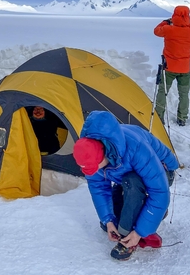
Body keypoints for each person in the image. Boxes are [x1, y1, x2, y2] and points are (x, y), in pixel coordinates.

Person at [72, 111, 179, 261]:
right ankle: (143, 214)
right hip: (128, 175)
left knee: (132, 184)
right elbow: (98, 188)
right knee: (118, 207)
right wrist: (108, 220)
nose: (93, 171)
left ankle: (127, 238)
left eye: (94, 167)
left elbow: (160, 193)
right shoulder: (91, 150)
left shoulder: (137, 150)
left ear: (104, 155)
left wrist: (139, 232)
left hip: (163, 171)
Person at [154, 5, 190, 126]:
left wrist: (166, 21)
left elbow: (156, 31)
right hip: (185, 68)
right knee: (184, 95)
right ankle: (182, 118)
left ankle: (159, 116)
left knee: (162, 92)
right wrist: (186, 23)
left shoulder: (168, 29)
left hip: (168, 67)